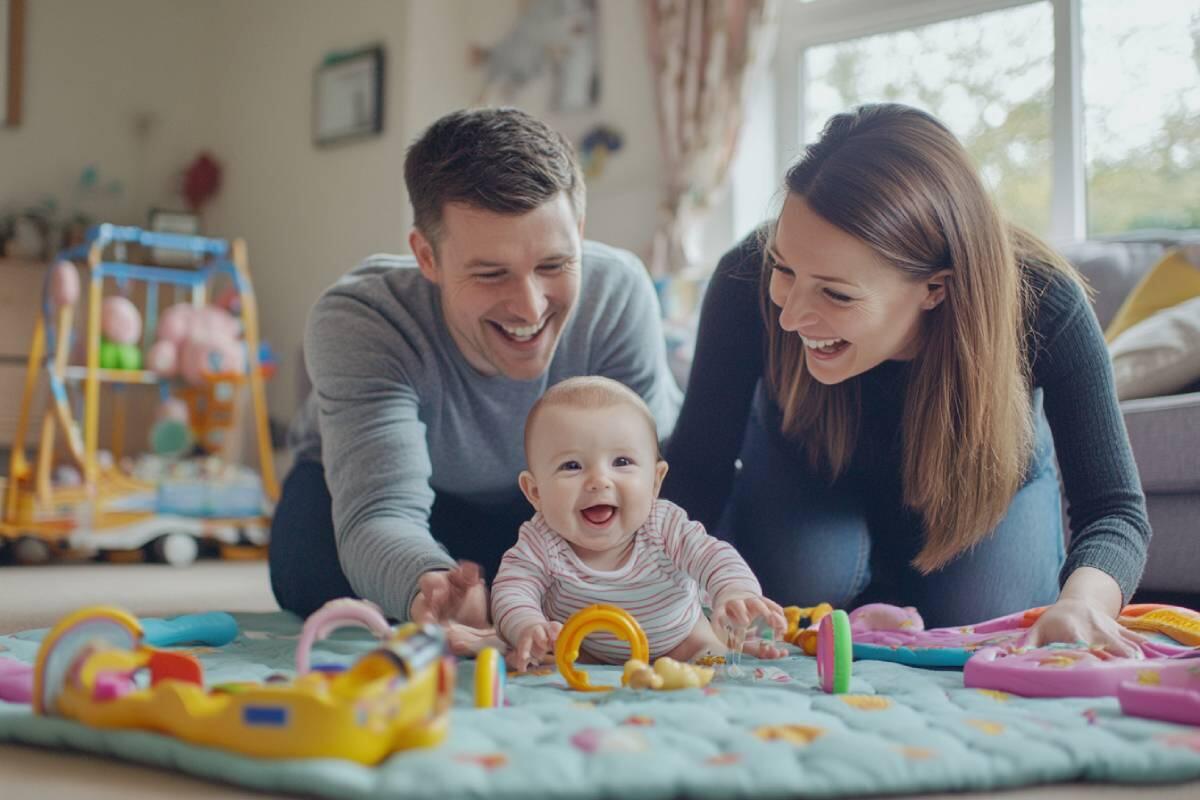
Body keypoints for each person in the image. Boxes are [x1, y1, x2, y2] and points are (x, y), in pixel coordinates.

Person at [662, 103, 1151, 656]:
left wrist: (1083, 603)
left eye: (836, 293)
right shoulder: (741, 279)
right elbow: (697, 468)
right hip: (806, 467)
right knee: (801, 580)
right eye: (784, 268)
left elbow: (1114, 510)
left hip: (975, 492)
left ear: (935, 289)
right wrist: (649, 587)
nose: (790, 316)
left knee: (990, 615)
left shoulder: (1044, 303)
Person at [270, 108, 681, 630]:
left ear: (578, 232)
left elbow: (649, 489)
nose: (530, 309)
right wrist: (430, 587)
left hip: (551, 498)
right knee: (310, 575)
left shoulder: (618, 292)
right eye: (491, 274)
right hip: (380, 488)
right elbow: (381, 511)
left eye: (553, 265)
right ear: (427, 256)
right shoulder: (363, 318)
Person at [492, 376, 787, 671]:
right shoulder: (540, 542)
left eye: (621, 462)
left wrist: (734, 592)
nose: (599, 481)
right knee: (548, 660)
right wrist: (528, 627)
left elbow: (714, 556)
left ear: (655, 481)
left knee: (715, 659)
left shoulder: (663, 525)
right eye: (572, 466)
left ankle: (738, 635)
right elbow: (511, 592)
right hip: (589, 652)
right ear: (535, 492)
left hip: (680, 641)